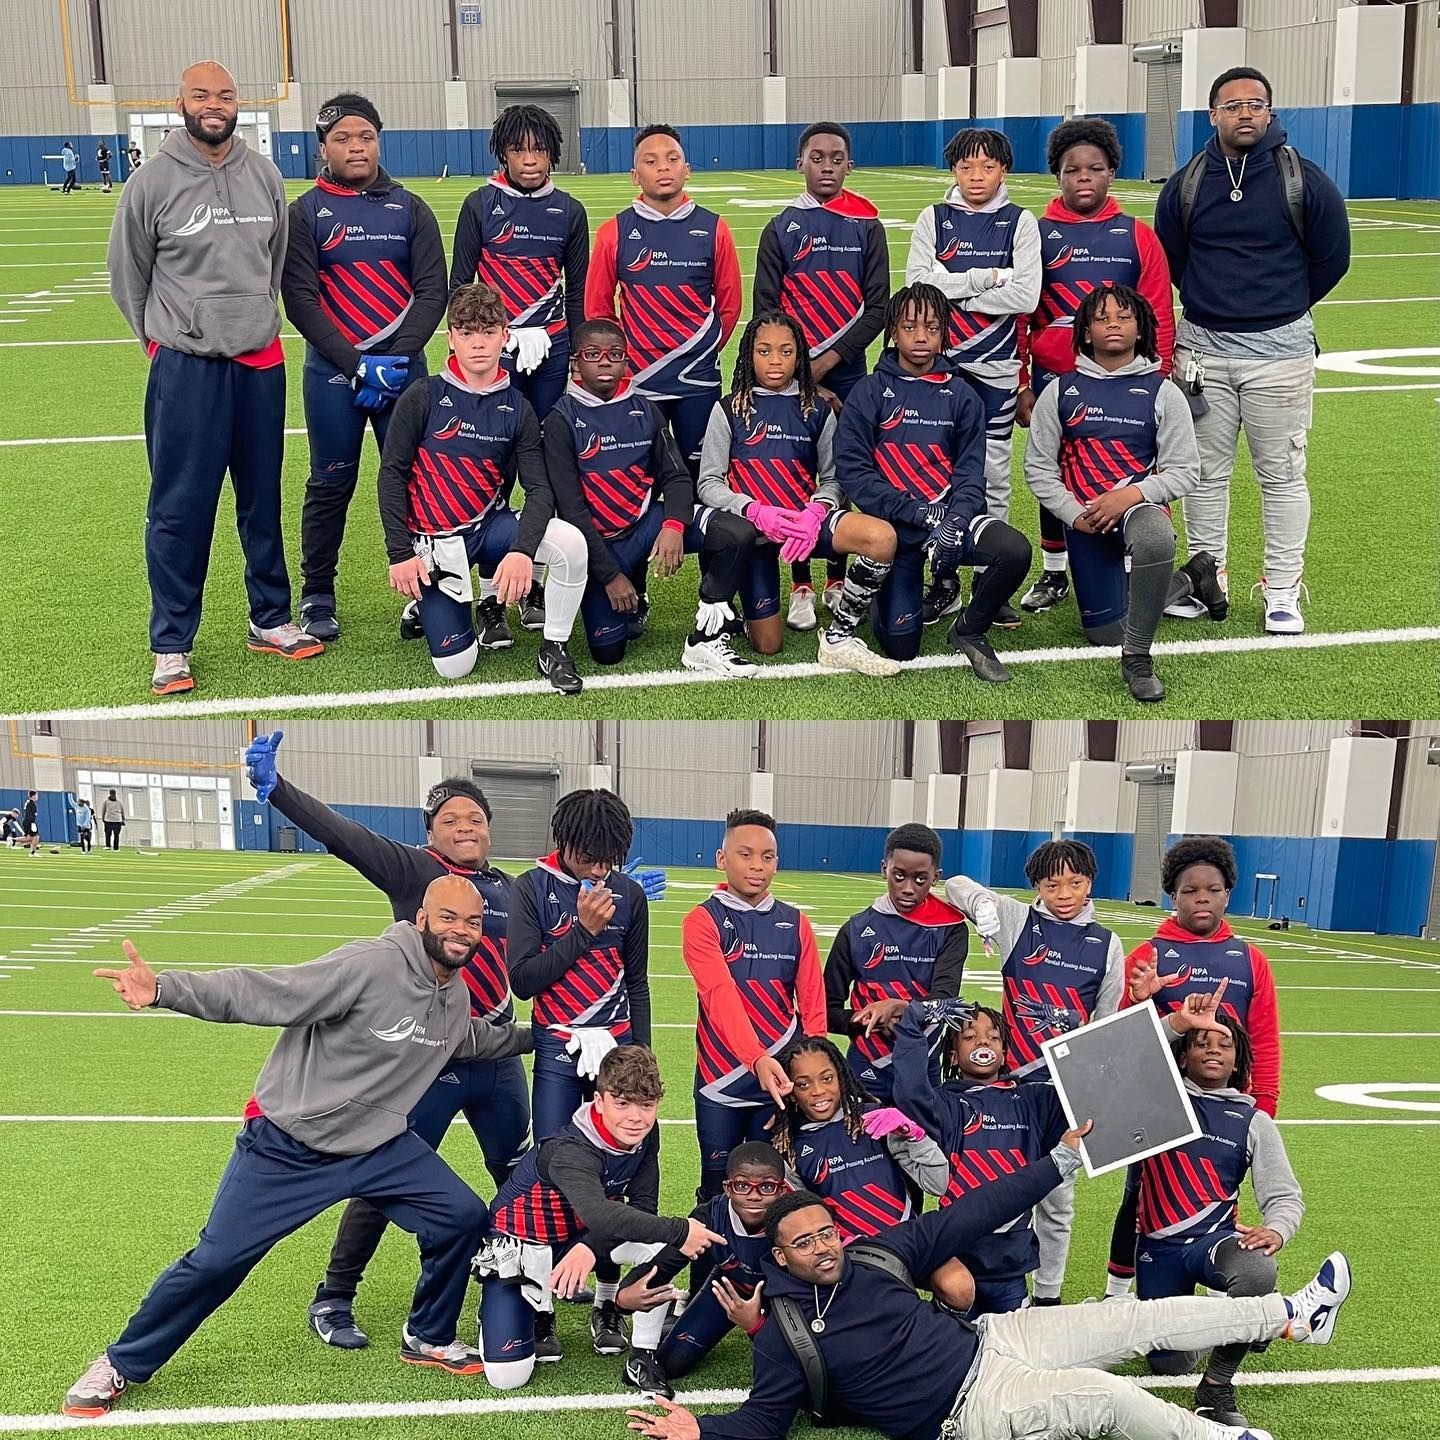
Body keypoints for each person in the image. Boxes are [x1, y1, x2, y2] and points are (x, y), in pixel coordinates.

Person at [62, 876, 534, 1417]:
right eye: (448, 918)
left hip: (377, 1145)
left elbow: (470, 1040)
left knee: (459, 1215)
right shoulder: (370, 965)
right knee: (216, 1261)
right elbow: (268, 991)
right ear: (422, 918)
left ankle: (426, 1335)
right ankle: (120, 1362)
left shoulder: (454, 994)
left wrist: (545, 1034)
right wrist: (166, 989)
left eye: (472, 922)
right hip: (290, 1142)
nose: (461, 931)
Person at [625, 1179, 1351, 1440]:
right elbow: (764, 1421)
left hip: (993, 1335)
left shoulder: (876, 1254)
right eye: (803, 1242)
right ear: (779, 1257)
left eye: (826, 1232)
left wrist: (1058, 1167)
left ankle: (1291, 1315)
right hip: (970, 1409)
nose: (823, 1246)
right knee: (1101, 1397)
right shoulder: (780, 1331)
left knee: (1138, 1315)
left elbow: (973, 1211)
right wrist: (702, 1431)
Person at [242, 734, 531, 1349]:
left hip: (497, 1056)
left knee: (516, 1169)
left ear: (489, 831)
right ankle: (335, 1296)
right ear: (430, 833)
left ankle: (516, 1281)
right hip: (426, 1061)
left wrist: (610, 896)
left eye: (475, 819)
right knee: (380, 1175)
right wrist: (281, 792)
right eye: (449, 820)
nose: (464, 828)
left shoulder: (510, 888)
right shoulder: (415, 872)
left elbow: (556, 934)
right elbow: (346, 836)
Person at [107, 61, 319, 698]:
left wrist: (253, 319)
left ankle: (272, 619)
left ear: (238, 104)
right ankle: (171, 644)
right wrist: (165, 342)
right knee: (179, 509)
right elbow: (129, 276)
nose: (214, 104)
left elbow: (273, 263)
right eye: (202, 94)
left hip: (259, 364)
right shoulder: (150, 182)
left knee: (262, 501)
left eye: (225, 95)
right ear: (180, 102)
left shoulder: (265, 176)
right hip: (187, 370)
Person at [1154, 65, 1350, 635]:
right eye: (1233, 104)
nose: (1245, 112)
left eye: (1255, 103)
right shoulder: (1187, 183)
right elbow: (1174, 259)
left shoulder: (1304, 180)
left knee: (1282, 475)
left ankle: (1283, 589)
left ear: (1270, 112)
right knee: (1203, 474)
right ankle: (1205, 575)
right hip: (1201, 353)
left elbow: (1331, 259)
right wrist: (1216, 302)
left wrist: (1276, 305)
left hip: (1280, 354)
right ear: (1212, 114)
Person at [281, 93, 447, 643]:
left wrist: (396, 359)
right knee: (331, 481)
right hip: (333, 372)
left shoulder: (410, 208)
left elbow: (431, 292)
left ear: (380, 140)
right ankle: (317, 593)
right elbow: (301, 299)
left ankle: (427, 590)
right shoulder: (304, 212)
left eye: (366, 137)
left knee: (418, 480)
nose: (356, 147)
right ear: (322, 147)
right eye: (343, 139)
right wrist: (357, 366)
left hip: (403, 370)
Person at [377, 282, 589, 693]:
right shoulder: (423, 396)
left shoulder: (518, 407)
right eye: (467, 332)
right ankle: (428, 603)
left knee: (570, 544)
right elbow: (391, 476)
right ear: (451, 338)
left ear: (505, 336)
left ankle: (554, 647)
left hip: (489, 530)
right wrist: (400, 553)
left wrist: (522, 551)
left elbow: (540, 490)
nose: (478, 344)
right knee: (456, 666)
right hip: (435, 544)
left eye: (488, 332)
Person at [474, 1045, 721, 1397]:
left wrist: (589, 1247)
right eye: (622, 1103)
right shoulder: (569, 1148)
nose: (636, 1117)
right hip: (520, 1243)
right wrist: (683, 1228)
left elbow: (643, 1208)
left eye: (646, 1105)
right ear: (599, 1100)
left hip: (578, 1233)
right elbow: (599, 1212)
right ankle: (517, 1305)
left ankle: (642, 1353)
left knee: (655, 1242)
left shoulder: (645, 1134)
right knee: (508, 1376)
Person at [1022, 284, 1226, 702]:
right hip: (1085, 520)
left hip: (1139, 511)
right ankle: (1190, 577)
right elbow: (1038, 469)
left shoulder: (1164, 393)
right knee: (1104, 631)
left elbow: (1186, 471)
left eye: (1124, 316)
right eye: (1101, 318)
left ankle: (1137, 658)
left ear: (1141, 330)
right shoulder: (1060, 392)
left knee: (1154, 538)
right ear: (1084, 332)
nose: (1113, 323)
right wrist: (1073, 513)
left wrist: (1131, 495)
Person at [943, 838, 1124, 1303]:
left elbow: (1104, 1028)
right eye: (1052, 883)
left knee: (1058, 1202)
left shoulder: (1107, 944)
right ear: (1037, 886)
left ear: (1091, 884)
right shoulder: (1019, 921)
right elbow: (955, 884)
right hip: (1007, 1090)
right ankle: (984, 1287)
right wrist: (983, 903)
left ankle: (1047, 1297)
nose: (1064, 893)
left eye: (1076, 883)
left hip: (1061, 1095)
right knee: (996, 1190)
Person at [1106, 834, 1283, 1297]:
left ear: (1228, 893)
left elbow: (1263, 1038)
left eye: (1213, 889)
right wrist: (1138, 997)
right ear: (1172, 895)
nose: (1201, 898)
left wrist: (1262, 1104)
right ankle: (1117, 1297)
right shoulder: (1148, 955)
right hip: (1159, 1101)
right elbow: (1120, 1037)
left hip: (1225, 1101)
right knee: (1141, 1194)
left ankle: (1232, 1294)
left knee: (1221, 1190)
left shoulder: (1250, 959)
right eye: (1189, 890)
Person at [1016, 118, 1175, 616]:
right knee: (1056, 470)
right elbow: (1020, 314)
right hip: (1055, 380)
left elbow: (1157, 312)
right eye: (1071, 170)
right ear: (1057, 176)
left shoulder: (1137, 236)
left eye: (1095, 168)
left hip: (1127, 380)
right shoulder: (1035, 235)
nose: (1083, 177)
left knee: (1126, 462)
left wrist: (1158, 376)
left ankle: (1127, 560)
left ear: (1112, 173)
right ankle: (1054, 570)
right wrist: (1023, 380)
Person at [544, 316, 759, 678]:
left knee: (736, 532)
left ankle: (705, 636)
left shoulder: (645, 410)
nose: (605, 361)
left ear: (627, 361)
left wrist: (674, 525)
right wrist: (610, 575)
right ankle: (631, 590)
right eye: (593, 354)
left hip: (646, 525)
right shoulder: (560, 420)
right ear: (575, 364)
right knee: (608, 651)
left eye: (615, 354)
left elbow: (675, 475)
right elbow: (572, 510)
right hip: (598, 544)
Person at [836, 283, 1032, 680]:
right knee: (900, 646)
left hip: (950, 523)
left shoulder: (962, 395)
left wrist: (956, 522)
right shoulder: (869, 391)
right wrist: (922, 514)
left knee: (1014, 550)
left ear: (945, 332)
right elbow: (855, 474)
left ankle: (970, 629)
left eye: (931, 327)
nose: (921, 337)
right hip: (898, 530)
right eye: (910, 327)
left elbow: (972, 473)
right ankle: (884, 584)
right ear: (893, 331)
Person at [698, 310, 901, 678]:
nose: (775, 361)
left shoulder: (817, 408)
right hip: (757, 532)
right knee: (768, 645)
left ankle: (840, 635)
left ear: (799, 356)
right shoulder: (728, 408)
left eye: (786, 351)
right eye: (764, 351)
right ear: (748, 355)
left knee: (881, 537)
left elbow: (835, 477)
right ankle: (747, 612)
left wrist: (816, 512)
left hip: (807, 527)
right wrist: (754, 511)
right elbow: (708, 483)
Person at [451, 103, 591, 630]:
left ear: (553, 152)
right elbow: (461, 287)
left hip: (550, 353)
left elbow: (576, 292)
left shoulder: (570, 211)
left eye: (539, 149)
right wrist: (490, 339)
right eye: (518, 149)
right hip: (497, 353)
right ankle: (490, 592)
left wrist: (573, 351)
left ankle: (533, 580)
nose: (529, 159)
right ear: (502, 152)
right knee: (493, 463)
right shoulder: (480, 204)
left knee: (548, 463)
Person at [752, 122, 890, 627]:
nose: (826, 165)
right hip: (789, 375)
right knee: (791, 472)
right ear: (801, 164)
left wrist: (825, 366)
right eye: (817, 157)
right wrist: (800, 375)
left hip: (848, 375)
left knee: (845, 473)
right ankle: (802, 584)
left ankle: (836, 577)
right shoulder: (780, 227)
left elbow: (877, 309)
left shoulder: (868, 225)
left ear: (849, 165)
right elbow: (766, 310)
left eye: (836, 158)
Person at [1136, 1014, 1304, 1429]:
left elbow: (1285, 1195)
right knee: (1168, 1365)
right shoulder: (1160, 1098)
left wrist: (1277, 1230)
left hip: (1212, 1243)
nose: (1213, 1049)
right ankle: (1253, 1322)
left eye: (1224, 1044)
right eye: (1201, 1042)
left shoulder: (1253, 1120)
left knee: (1256, 1269)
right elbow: (1131, 1058)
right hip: (1157, 1249)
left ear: (1237, 1062)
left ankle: (1216, 1385)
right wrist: (1176, 1022)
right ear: (1183, 1055)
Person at [905, 128, 1041, 630]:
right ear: (954, 171)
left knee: (993, 476)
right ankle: (942, 581)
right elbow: (918, 287)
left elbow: (1026, 297)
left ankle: (991, 581)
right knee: (933, 473)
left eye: (987, 167)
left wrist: (952, 285)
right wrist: (988, 277)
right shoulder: (933, 218)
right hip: (937, 367)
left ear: (1003, 170)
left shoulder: (1020, 222)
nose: (976, 177)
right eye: (966, 167)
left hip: (996, 370)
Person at [681, 808, 826, 1202]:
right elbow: (719, 996)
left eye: (768, 856)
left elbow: (812, 1001)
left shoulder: (796, 922)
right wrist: (756, 1058)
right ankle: (712, 1266)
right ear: (721, 859)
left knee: (771, 1190)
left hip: (780, 1084)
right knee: (718, 1189)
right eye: (745, 854)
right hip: (721, 1081)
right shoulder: (702, 920)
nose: (757, 866)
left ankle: (763, 1265)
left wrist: (812, 1065)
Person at [585, 125, 743, 476]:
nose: (663, 167)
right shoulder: (615, 231)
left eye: (672, 159)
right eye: (651, 160)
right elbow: (597, 310)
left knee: (700, 474)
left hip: (697, 377)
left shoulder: (715, 228)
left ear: (686, 169)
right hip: (639, 376)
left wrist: (706, 351)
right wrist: (621, 359)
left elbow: (730, 304)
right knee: (641, 472)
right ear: (634, 176)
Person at [507, 789, 658, 1143]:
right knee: (552, 1152)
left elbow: (637, 982)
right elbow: (523, 981)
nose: (599, 869)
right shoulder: (531, 887)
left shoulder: (629, 895)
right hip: (557, 1042)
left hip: (616, 1044)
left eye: (609, 859)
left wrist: (642, 1055)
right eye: (590, 857)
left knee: (625, 1148)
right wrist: (584, 931)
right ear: (565, 841)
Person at [824, 822, 969, 1104]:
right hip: (866, 1068)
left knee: (924, 1146)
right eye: (898, 876)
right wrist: (864, 1021)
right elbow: (825, 1009)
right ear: (883, 870)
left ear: (936, 877)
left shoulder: (950, 928)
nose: (907, 888)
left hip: (922, 1065)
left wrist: (902, 1010)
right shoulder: (855, 930)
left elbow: (945, 998)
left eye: (920, 879)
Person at [768, 1035, 954, 1240]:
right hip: (850, 1256)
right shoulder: (789, 1146)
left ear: (841, 1075)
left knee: (957, 1273)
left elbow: (938, 1185)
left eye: (827, 1078)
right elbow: (805, 1219)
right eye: (803, 1084)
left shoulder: (877, 1119)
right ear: (790, 1091)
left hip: (908, 1242)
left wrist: (916, 1136)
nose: (818, 1091)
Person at [655, 1142, 790, 1381]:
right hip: (731, 1288)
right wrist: (628, 1294)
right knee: (671, 1364)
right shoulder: (709, 1215)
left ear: (782, 1189)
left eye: (767, 1187)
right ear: (727, 1187)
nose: (754, 1195)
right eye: (742, 1185)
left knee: (793, 1367)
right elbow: (666, 1262)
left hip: (785, 1297)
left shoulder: (800, 1216)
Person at [21, 790, 40, 856]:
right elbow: (29, 815)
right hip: (29, 822)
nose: (37, 796)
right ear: (33, 796)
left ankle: (33, 852)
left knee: (31, 838)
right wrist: (32, 823)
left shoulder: (29, 803)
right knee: (34, 837)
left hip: (29, 822)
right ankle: (32, 853)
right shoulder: (30, 804)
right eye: (36, 795)